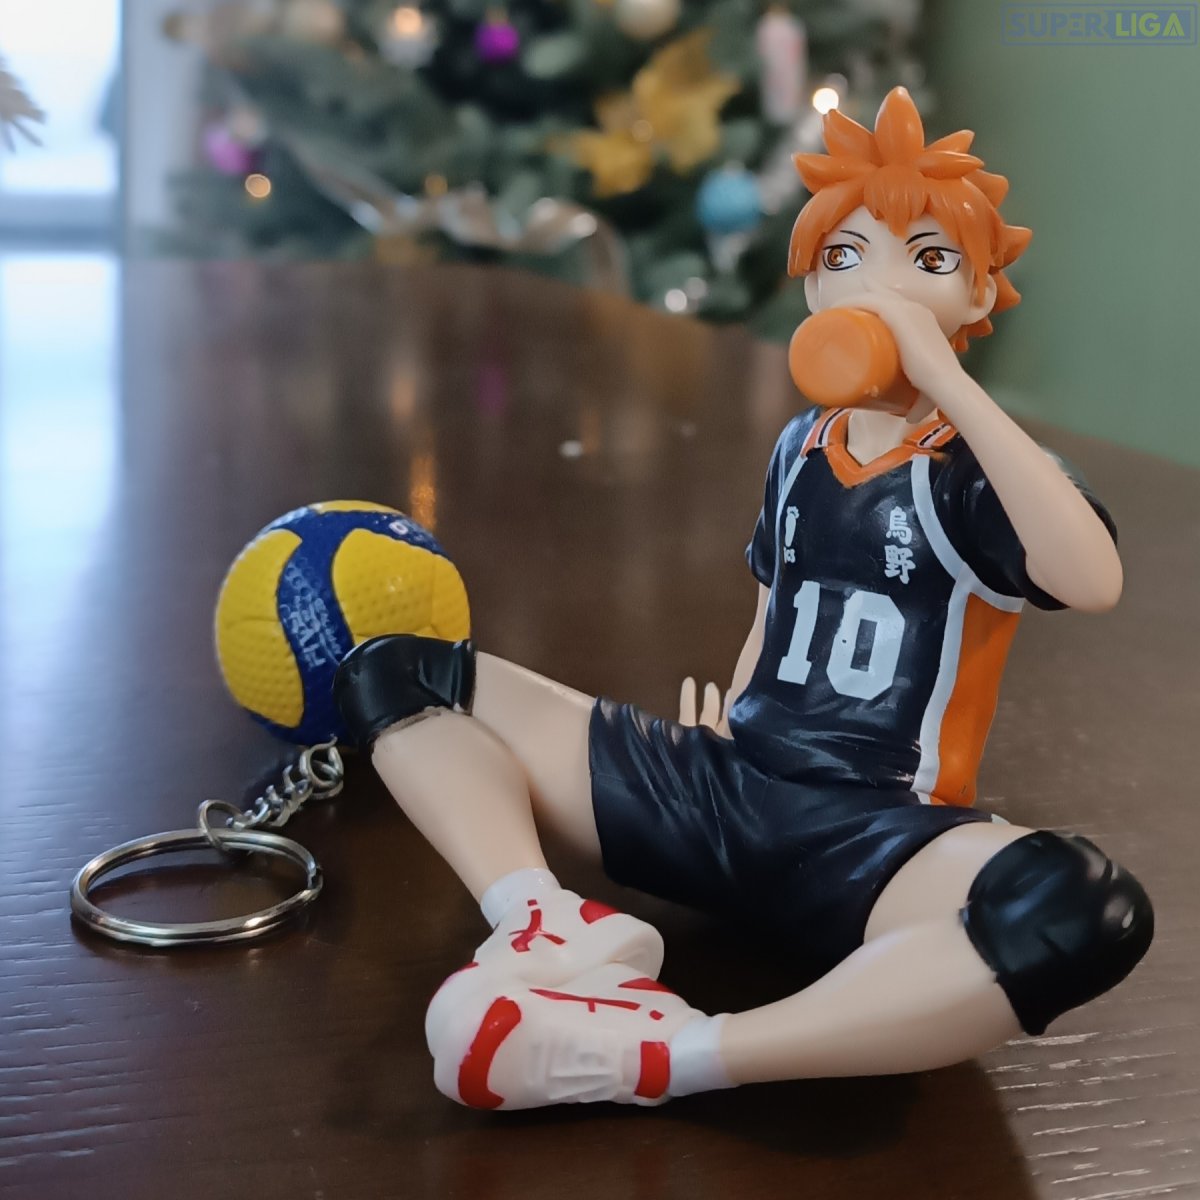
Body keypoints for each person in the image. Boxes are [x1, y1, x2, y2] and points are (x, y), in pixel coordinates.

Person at [333, 87, 1153, 1111]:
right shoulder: (798, 447)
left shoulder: (976, 476)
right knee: (396, 673)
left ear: (979, 294)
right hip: (726, 792)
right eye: (846, 256)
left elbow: (1093, 578)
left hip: (872, 836)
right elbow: (777, 597)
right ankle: (545, 919)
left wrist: (947, 379)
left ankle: (678, 1054)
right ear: (811, 287)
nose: (879, 287)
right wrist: (736, 709)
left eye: (926, 260)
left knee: (1081, 909)